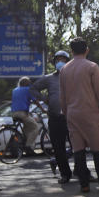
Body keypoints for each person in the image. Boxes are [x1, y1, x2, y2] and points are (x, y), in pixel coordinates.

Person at [58, 37, 99, 193]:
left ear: (71, 51)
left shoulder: (64, 69)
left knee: (78, 150)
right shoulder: (92, 67)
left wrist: (67, 114)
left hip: (72, 114)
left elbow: (63, 97)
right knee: (98, 148)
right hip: (90, 112)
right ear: (87, 50)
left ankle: (84, 184)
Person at [33, 50, 74, 183]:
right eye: (58, 60)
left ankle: (82, 171)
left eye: (63, 60)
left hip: (72, 117)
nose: (60, 62)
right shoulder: (49, 78)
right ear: (54, 62)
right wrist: (44, 99)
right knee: (58, 147)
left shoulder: (74, 77)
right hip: (55, 117)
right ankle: (65, 174)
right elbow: (33, 89)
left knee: (78, 146)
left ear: (68, 62)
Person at [10, 76, 43, 155]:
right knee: (35, 127)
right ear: (27, 83)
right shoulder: (28, 90)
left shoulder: (15, 90)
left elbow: (20, 100)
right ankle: (28, 146)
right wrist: (43, 109)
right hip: (22, 113)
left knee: (27, 129)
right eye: (29, 83)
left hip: (14, 113)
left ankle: (26, 146)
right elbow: (36, 101)